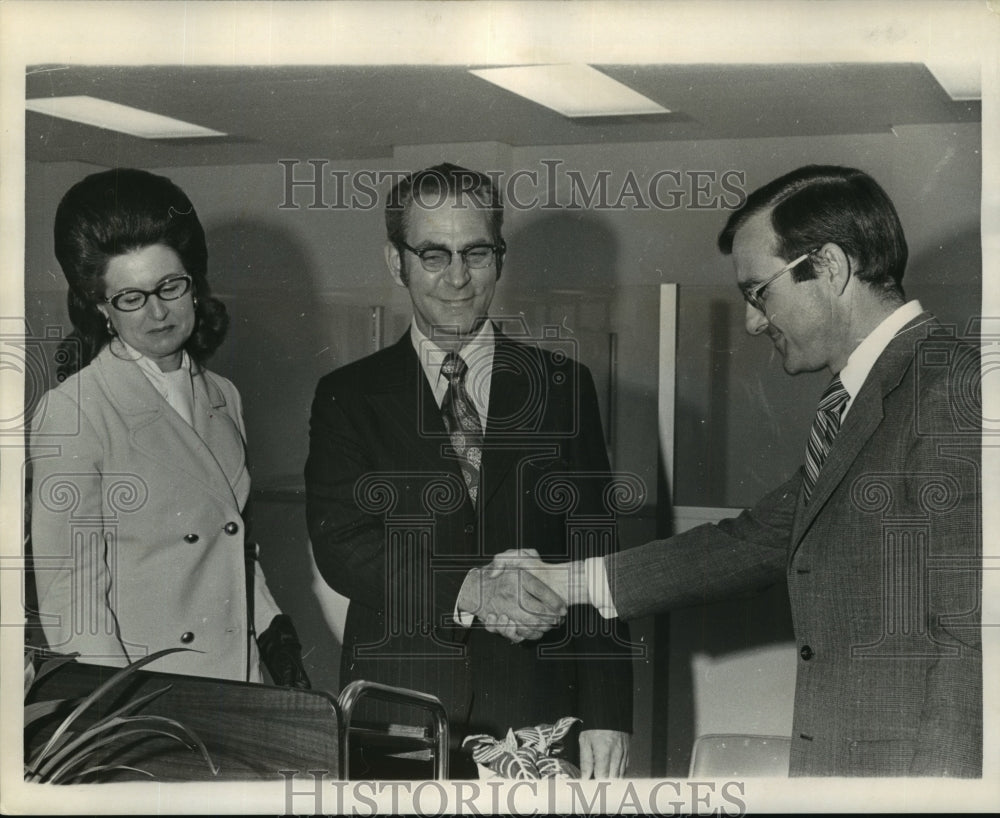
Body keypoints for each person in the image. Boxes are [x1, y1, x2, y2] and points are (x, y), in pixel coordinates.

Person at [499, 165, 982, 777]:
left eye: (760, 291)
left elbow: (971, 644)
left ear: (829, 267)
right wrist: (563, 582)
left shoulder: (954, 390)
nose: (753, 321)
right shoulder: (867, 398)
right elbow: (758, 539)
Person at [304, 163, 633, 778]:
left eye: (475, 253)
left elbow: (597, 551)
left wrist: (610, 711)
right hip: (398, 706)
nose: (457, 278)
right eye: (433, 255)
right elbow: (343, 546)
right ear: (395, 261)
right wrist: (474, 588)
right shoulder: (347, 395)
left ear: (499, 258)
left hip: (539, 707)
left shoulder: (561, 386)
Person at [29, 168, 310, 688]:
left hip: (238, 680)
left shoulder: (224, 395)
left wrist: (275, 633)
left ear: (195, 286)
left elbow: (231, 546)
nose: (156, 312)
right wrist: (115, 717)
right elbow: (74, 603)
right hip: (152, 698)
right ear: (101, 308)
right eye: (130, 297)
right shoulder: (76, 411)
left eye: (169, 286)